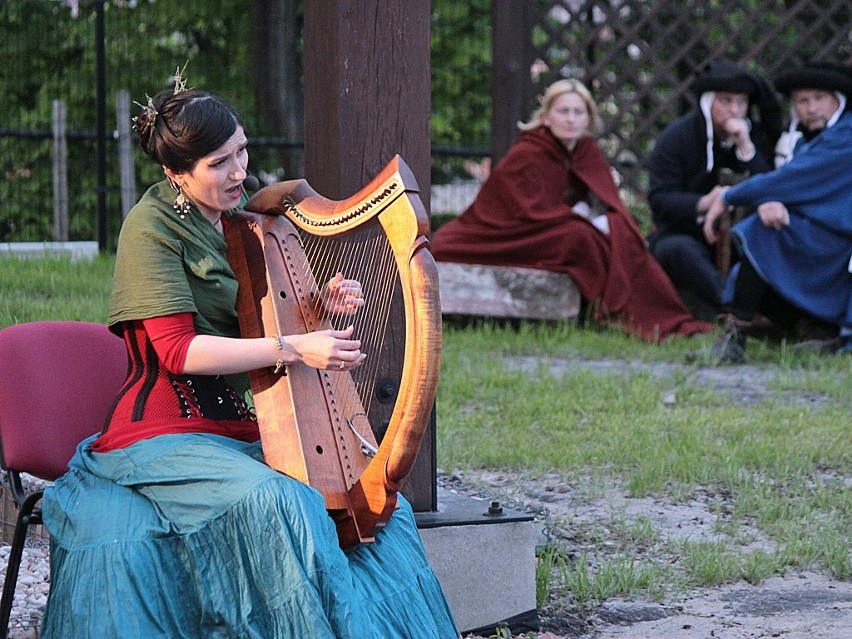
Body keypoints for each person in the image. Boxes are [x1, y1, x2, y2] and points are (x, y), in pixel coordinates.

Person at [39, 80, 459, 638]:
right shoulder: (152, 229)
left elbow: (263, 315)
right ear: (176, 174)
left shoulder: (246, 219)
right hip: (158, 437)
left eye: (242, 149)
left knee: (375, 503)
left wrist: (322, 303)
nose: (239, 170)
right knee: (283, 502)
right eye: (220, 162)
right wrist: (296, 348)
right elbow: (178, 351)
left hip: (233, 427)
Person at [430, 79, 711, 342]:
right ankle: (611, 311)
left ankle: (667, 318)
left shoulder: (586, 150)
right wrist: (581, 217)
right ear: (547, 115)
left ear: (589, 118)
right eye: (563, 110)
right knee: (580, 236)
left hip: (550, 228)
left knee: (622, 235)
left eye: (578, 112)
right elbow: (523, 210)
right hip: (505, 233)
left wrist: (600, 220)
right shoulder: (528, 151)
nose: (570, 118)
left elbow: (609, 201)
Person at [702, 63, 852, 362]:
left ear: (838, 100)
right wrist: (774, 201)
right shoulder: (806, 138)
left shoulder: (846, 137)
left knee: (760, 235)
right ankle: (816, 331)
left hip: (840, 243)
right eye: (802, 101)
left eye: (818, 98)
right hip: (820, 234)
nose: (810, 108)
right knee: (761, 244)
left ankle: (735, 338)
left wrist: (730, 195)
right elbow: (795, 185)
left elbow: (793, 179)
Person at [646, 61, 781, 320]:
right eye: (725, 101)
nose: (734, 110)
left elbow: (770, 186)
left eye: (741, 103)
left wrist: (746, 148)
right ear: (708, 103)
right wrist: (705, 202)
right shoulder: (676, 138)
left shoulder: (757, 136)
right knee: (675, 250)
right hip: (690, 234)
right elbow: (660, 198)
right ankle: (733, 307)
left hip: (743, 235)